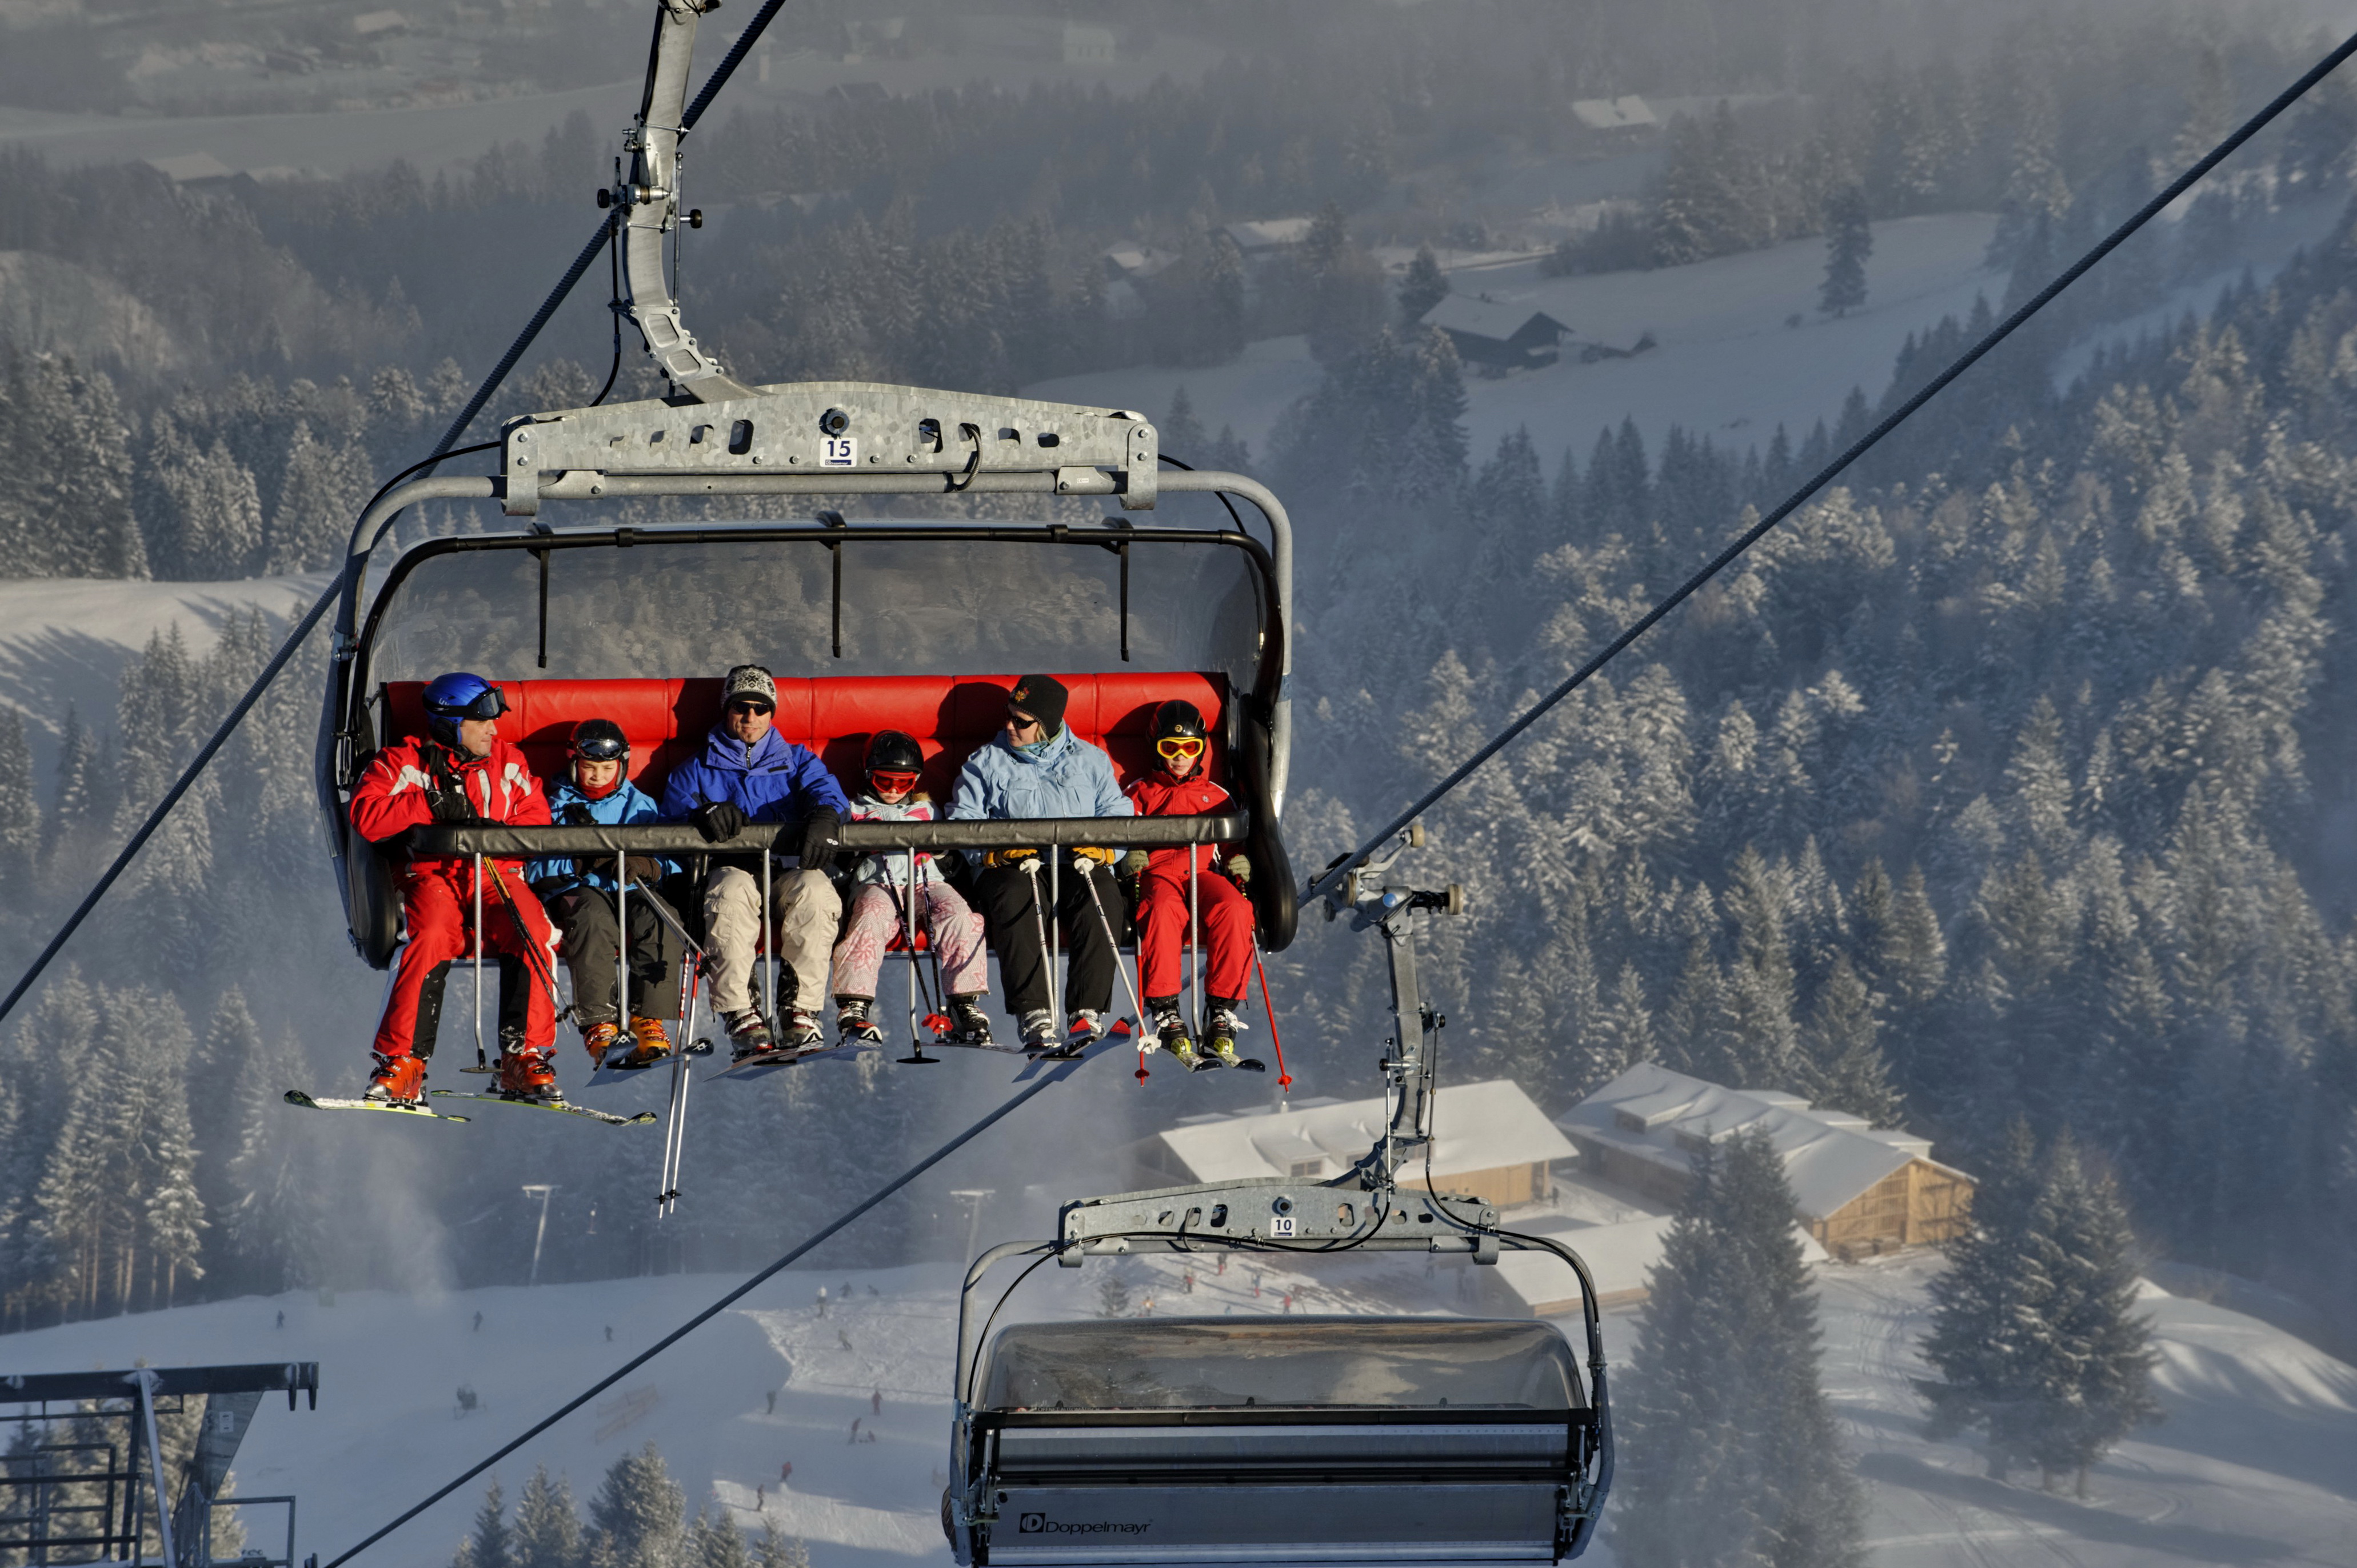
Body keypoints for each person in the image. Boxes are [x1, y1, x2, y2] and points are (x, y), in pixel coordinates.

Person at [349, 671, 564, 1105]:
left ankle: (523, 1055)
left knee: (533, 933)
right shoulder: (405, 762)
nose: (493, 729)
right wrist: (428, 804)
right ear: (450, 722)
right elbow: (366, 815)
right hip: (432, 875)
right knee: (429, 935)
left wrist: (494, 834)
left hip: (495, 878)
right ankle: (403, 1061)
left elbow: (538, 818)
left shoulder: (508, 762)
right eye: (482, 721)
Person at [662, 665, 848, 1055]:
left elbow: (825, 791)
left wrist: (826, 815)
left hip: (786, 871)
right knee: (732, 890)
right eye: (741, 707)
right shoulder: (697, 769)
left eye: (760, 709)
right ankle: (740, 1010)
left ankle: (801, 1009)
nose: (750, 718)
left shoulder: (797, 761)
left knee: (816, 890)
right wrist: (701, 815)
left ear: (771, 713)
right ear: (726, 709)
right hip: (730, 871)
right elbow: (670, 819)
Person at [950, 674, 1134, 1050]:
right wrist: (993, 854)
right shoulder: (985, 763)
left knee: (1102, 892)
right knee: (1018, 896)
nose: (1009, 726)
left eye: (1021, 721)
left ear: (1047, 726)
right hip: (1010, 866)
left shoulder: (1090, 761)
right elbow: (961, 822)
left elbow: (1118, 816)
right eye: (1009, 716)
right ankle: (1034, 1015)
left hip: (1073, 863)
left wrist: (1106, 852)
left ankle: (1086, 1011)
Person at [526, 719, 684, 1069]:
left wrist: (648, 866)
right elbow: (531, 867)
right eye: (589, 768)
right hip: (576, 891)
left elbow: (672, 857)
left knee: (661, 917)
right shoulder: (551, 809)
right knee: (592, 918)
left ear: (621, 766)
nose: (598, 776)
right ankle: (600, 1022)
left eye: (607, 768)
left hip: (628, 888)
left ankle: (648, 1019)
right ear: (573, 765)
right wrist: (575, 865)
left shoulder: (640, 806)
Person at [828, 730, 993, 1046]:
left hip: (925, 880)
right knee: (872, 915)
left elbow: (951, 862)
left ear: (915, 782)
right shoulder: (853, 812)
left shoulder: (929, 812)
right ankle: (854, 1005)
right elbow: (833, 855)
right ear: (868, 776)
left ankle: (964, 1004)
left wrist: (941, 852)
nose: (893, 790)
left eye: (903, 783)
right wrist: (852, 861)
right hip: (878, 882)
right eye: (884, 781)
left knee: (959, 915)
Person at [1122, 700, 1254, 1068]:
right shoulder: (1139, 794)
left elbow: (1232, 843)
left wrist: (1237, 860)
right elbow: (1118, 837)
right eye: (1170, 748)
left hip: (1202, 873)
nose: (1180, 757)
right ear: (1156, 748)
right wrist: (1128, 858)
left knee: (1235, 908)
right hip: (1158, 872)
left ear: (1201, 750)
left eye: (1190, 748)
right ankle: (1165, 1010)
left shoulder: (1216, 796)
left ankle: (1221, 1010)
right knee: (1162, 910)